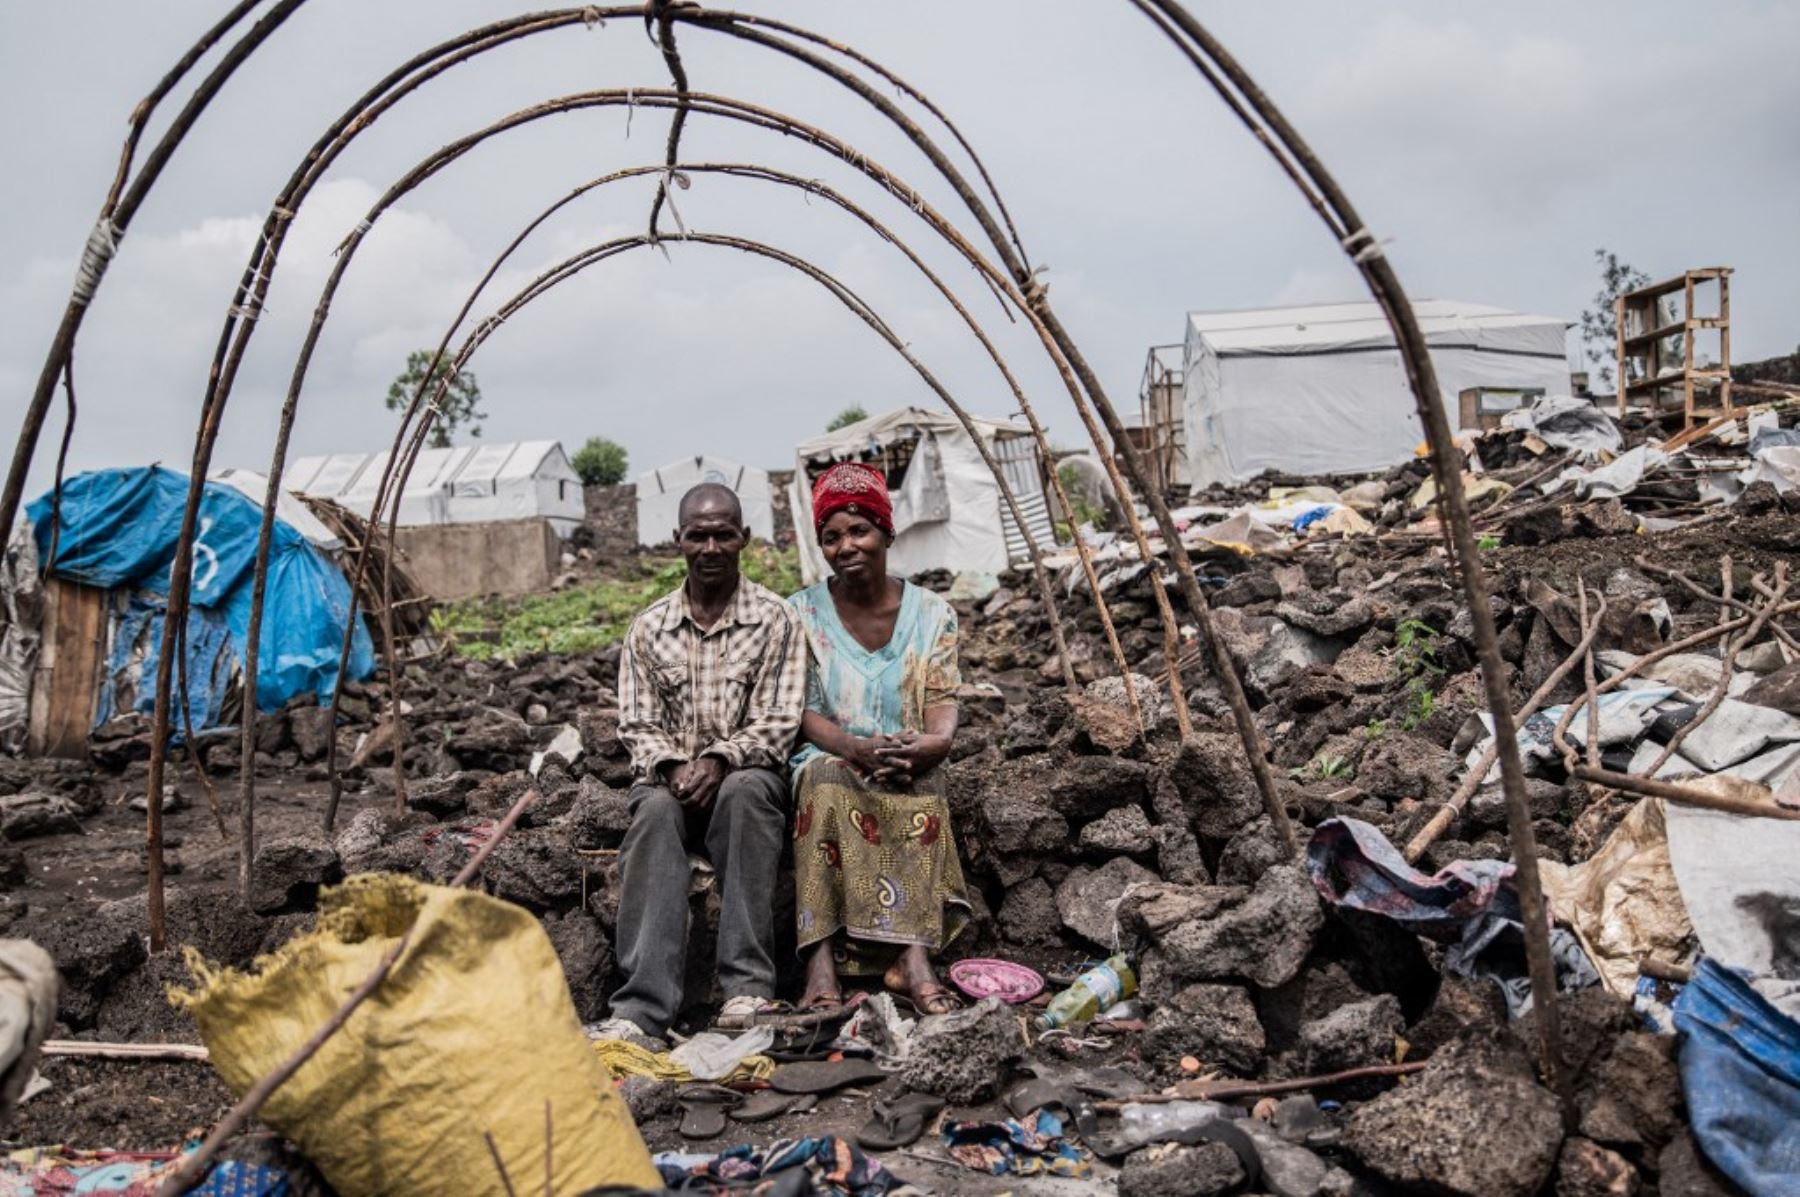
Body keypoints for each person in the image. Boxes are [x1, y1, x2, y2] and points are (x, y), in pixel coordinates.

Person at [595, 483, 806, 1045]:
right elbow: (636, 724)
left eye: (723, 534)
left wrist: (718, 759)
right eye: (698, 535)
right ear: (678, 541)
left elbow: (779, 719)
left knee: (746, 792)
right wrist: (670, 767)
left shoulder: (775, 619)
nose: (711, 547)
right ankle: (640, 1011)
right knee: (655, 811)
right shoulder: (649, 628)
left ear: (744, 538)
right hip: (672, 782)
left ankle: (748, 990)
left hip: (743, 776)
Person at [788, 463, 972, 1016]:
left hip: (904, 756)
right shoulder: (800, 614)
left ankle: (911, 958)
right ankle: (819, 963)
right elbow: (797, 711)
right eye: (832, 536)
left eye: (859, 530)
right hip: (830, 755)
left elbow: (942, 702)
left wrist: (931, 745)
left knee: (920, 782)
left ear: (887, 534)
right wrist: (852, 748)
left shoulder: (933, 614)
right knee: (822, 780)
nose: (847, 545)